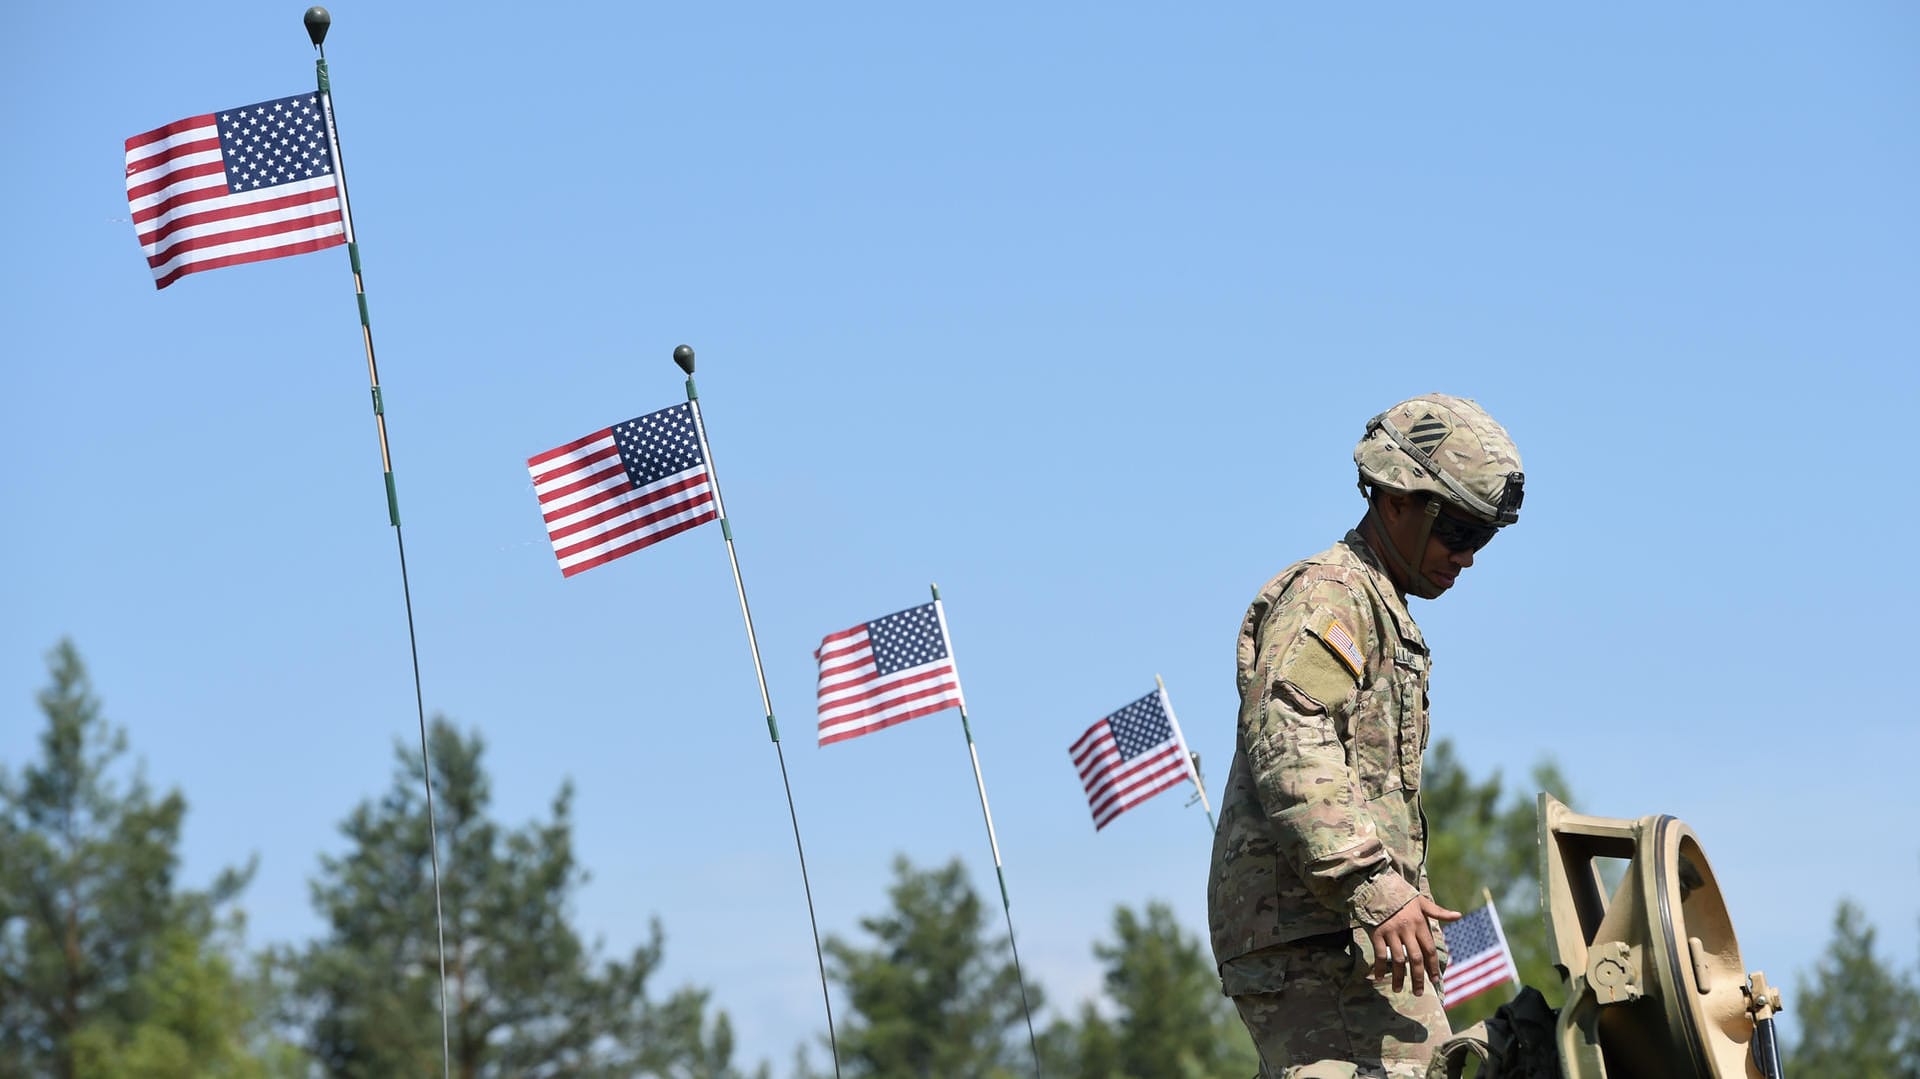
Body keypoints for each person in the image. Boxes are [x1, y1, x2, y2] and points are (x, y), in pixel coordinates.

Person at [1207, 394, 1525, 1078]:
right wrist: (1375, 885)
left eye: (1483, 538)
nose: (1466, 558)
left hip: (1343, 928)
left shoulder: (1378, 605)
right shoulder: (1334, 595)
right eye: (1459, 531)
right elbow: (1290, 734)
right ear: (1394, 500)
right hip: (1320, 929)